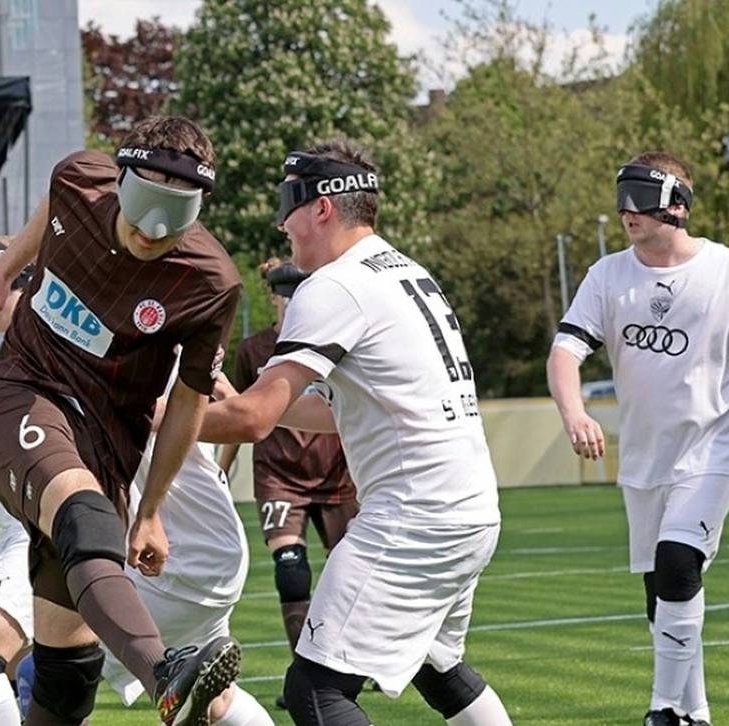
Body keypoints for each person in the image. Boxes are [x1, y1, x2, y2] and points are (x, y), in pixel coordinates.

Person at [197, 141, 512, 726]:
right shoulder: (407, 271)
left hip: (414, 517)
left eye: (289, 204)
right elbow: (333, 410)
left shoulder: (333, 285)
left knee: (316, 689)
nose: (281, 222)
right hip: (469, 510)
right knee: (439, 669)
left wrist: (145, 414)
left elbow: (254, 422)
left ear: (321, 207)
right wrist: (234, 399)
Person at [0, 116, 243, 725]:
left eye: (174, 216)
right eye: (144, 207)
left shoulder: (212, 283)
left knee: (67, 679)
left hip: (109, 438)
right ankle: (165, 671)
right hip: (23, 391)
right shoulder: (80, 178)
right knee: (87, 519)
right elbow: (54, 200)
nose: (152, 230)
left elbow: (189, 402)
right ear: (122, 178)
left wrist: (153, 509)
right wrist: (1, 271)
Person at [0, 275, 269, 726]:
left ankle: (164, 677)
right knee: (213, 698)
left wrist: (143, 417)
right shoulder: (43, 361)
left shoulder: (101, 340)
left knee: (35, 668)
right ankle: (168, 677)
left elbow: (240, 414)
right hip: (196, 553)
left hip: (170, 552)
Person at [547, 152, 729, 726]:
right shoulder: (607, 275)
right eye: (621, 199)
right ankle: (697, 713)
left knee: (679, 562)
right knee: (661, 593)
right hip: (643, 461)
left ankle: (662, 710)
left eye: (639, 198)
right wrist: (574, 412)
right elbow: (565, 351)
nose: (625, 212)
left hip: (711, 452)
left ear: (678, 205)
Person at [218, 257, 356, 707]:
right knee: (291, 570)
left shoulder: (338, 343)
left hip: (337, 474)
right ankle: (305, 668)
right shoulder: (253, 351)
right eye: (286, 296)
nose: (294, 304)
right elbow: (239, 409)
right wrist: (224, 463)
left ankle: (346, 663)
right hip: (280, 476)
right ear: (274, 299)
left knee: (350, 570)